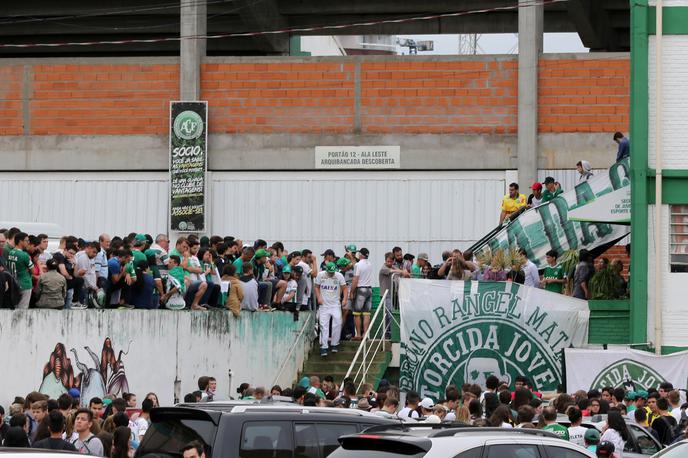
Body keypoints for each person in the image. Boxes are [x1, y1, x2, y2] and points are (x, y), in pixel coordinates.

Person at [314, 262, 348, 357]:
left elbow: (345, 288)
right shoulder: (321, 275)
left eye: (333, 272)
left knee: (337, 323)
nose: (331, 274)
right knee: (324, 325)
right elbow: (316, 287)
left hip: (335, 304)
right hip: (324, 305)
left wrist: (345, 299)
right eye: (330, 272)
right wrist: (319, 298)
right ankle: (324, 346)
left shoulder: (339, 276)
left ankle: (334, 344)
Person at [5, 231, 33, 309]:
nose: (28, 242)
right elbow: (33, 270)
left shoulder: (10, 252)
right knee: (22, 310)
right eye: (27, 240)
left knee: (14, 308)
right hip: (25, 284)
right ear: (20, 241)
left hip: (14, 283)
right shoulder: (24, 255)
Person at [350, 248, 373, 340]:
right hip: (369, 289)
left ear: (361, 254)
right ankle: (365, 334)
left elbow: (355, 280)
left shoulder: (358, 265)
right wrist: (352, 257)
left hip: (361, 289)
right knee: (366, 313)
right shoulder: (370, 264)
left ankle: (358, 334)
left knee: (357, 313)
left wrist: (352, 291)